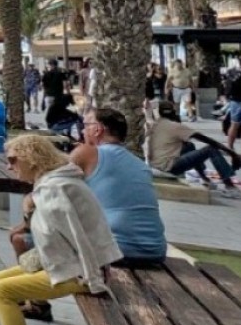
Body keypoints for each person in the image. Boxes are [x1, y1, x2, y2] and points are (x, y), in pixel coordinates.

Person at [0, 135, 122, 325]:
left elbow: (79, 238)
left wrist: (92, 278)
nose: (9, 166)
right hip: (71, 265)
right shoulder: (52, 183)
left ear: (32, 159)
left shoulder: (56, 189)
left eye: (13, 160)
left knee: (3, 291)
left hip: (81, 272)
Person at [69, 108, 168, 265]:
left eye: (85, 124)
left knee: (25, 239)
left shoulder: (87, 153)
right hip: (155, 251)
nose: (82, 130)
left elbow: (53, 184)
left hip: (116, 249)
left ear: (97, 129)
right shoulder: (140, 165)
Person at [147, 103, 241, 199]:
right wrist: (232, 154)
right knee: (211, 150)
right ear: (174, 112)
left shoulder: (157, 123)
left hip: (156, 165)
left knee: (189, 145)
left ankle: (205, 180)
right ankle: (230, 187)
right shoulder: (175, 126)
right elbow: (206, 140)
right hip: (169, 167)